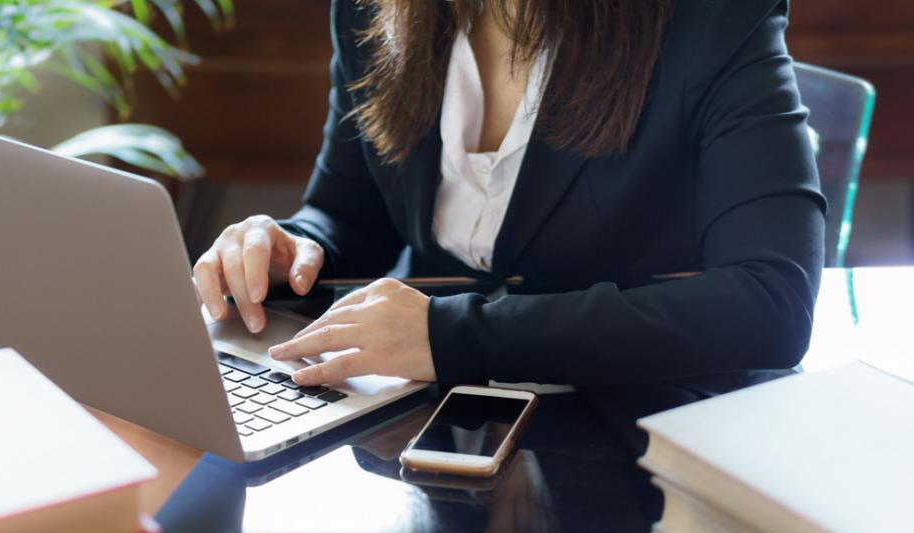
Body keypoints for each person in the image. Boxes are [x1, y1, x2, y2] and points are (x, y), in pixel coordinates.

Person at [192, 0, 825, 390]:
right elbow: (349, 212)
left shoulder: (712, 16)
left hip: (618, 424)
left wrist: (456, 336)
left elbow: (773, 300)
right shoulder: (372, 8)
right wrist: (296, 249)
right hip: (407, 409)